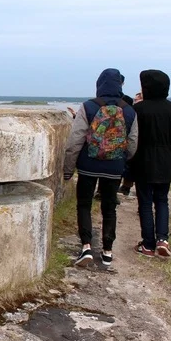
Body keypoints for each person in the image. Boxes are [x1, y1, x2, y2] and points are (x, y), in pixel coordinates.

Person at [63, 68, 139, 268]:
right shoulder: (129, 110)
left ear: (99, 84)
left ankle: (86, 246)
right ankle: (107, 251)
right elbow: (132, 143)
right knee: (109, 208)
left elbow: (75, 140)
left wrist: (69, 169)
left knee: (84, 205)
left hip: (88, 165)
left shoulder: (88, 106)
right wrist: (121, 160)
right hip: (114, 168)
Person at [129, 70, 171, 258]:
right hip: (165, 162)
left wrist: (131, 164)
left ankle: (148, 245)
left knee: (145, 203)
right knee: (162, 201)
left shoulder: (139, 110)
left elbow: (133, 140)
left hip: (143, 162)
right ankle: (163, 239)